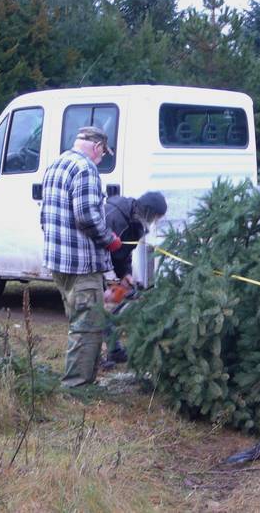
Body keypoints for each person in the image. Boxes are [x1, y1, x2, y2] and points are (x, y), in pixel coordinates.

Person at [40, 126, 122, 388]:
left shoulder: (56, 165)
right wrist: (109, 239)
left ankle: (80, 378)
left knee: (79, 321)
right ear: (97, 147)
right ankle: (77, 387)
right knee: (88, 326)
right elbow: (86, 215)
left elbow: (45, 216)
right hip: (81, 265)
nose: (101, 159)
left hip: (59, 263)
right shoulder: (86, 169)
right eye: (103, 154)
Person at [101, 191, 167, 365]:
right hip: (94, 265)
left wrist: (126, 274)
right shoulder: (114, 217)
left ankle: (113, 350)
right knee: (96, 312)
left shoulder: (137, 224)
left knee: (113, 305)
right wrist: (111, 277)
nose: (154, 222)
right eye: (154, 217)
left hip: (111, 267)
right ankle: (97, 356)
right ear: (147, 210)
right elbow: (104, 248)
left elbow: (125, 252)